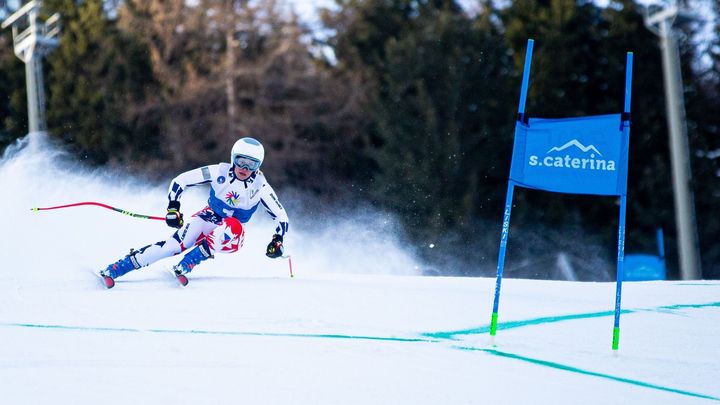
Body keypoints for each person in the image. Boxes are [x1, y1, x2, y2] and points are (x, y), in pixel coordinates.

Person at [99, 137, 289, 288]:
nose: (244, 169)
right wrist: (173, 208)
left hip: (233, 235)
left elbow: (281, 215)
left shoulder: (261, 187)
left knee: (229, 226)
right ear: (233, 158)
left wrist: (277, 240)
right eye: (241, 161)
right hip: (208, 217)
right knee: (172, 246)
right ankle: (117, 268)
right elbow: (180, 180)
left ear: (259, 166)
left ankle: (189, 262)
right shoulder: (218, 172)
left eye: (252, 165)